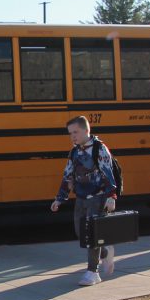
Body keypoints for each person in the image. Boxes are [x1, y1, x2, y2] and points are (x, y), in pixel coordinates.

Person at [49, 115, 120, 286]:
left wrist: (111, 196)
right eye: (70, 133)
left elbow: (108, 173)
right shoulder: (75, 151)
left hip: (98, 195)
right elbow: (68, 175)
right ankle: (104, 252)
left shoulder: (99, 149)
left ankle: (92, 272)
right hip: (81, 196)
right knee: (81, 233)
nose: (73, 136)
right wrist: (60, 198)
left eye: (76, 132)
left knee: (92, 233)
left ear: (87, 130)